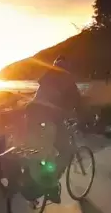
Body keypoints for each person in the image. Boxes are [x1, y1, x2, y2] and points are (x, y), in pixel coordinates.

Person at [26, 55, 83, 203]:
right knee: (66, 151)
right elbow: (79, 103)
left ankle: (38, 173)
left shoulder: (45, 78)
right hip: (50, 119)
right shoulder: (67, 79)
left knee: (41, 147)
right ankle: (50, 186)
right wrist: (87, 119)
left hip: (31, 118)